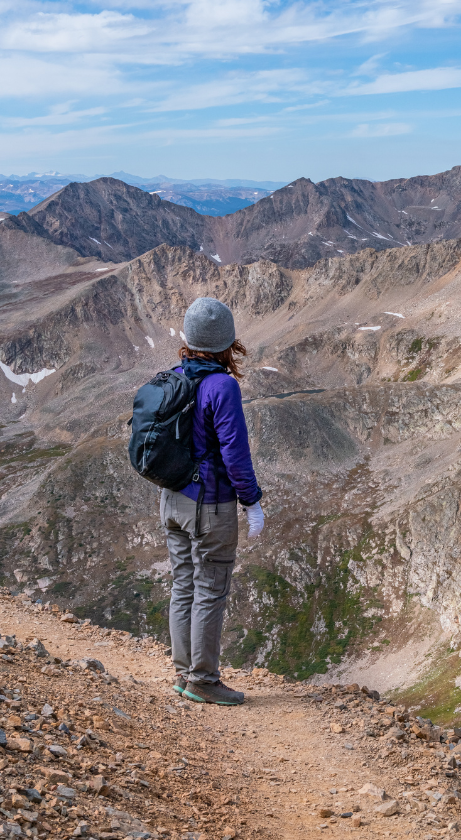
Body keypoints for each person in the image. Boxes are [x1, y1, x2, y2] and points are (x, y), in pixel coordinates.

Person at [160, 297, 265, 706]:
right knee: (210, 588)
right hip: (210, 505)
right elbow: (235, 453)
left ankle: (184, 674)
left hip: (171, 499)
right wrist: (251, 502)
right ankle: (203, 679)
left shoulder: (172, 378)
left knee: (183, 584)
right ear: (227, 342)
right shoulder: (222, 386)